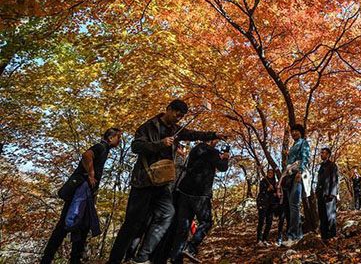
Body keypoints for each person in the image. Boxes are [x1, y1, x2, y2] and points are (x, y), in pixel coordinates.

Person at [107, 99, 229, 264]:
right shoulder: (149, 126)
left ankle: (142, 257)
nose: (178, 119)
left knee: (168, 214)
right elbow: (136, 146)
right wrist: (159, 144)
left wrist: (214, 135)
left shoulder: (176, 130)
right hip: (144, 181)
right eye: (176, 115)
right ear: (168, 109)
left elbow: (193, 134)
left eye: (181, 117)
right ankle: (114, 260)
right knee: (133, 223)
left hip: (163, 183)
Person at [41, 128, 122, 264]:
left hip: (85, 193)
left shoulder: (104, 149)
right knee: (65, 224)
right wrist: (91, 174)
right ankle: (47, 259)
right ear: (110, 138)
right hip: (80, 193)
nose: (119, 141)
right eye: (118, 138)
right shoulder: (101, 147)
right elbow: (86, 155)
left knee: (83, 226)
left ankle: (74, 259)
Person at [169, 139, 230, 263]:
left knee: (183, 228)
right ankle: (190, 247)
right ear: (212, 140)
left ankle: (175, 258)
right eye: (216, 140)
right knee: (206, 222)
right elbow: (222, 167)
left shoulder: (195, 150)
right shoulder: (212, 151)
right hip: (200, 194)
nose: (217, 143)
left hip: (184, 191)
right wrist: (224, 157)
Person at [281, 123, 311, 247]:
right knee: (291, 205)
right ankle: (296, 235)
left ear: (301, 132)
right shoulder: (293, 145)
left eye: (296, 131)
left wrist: (300, 171)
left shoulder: (303, 142)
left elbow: (305, 158)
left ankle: (293, 236)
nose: (294, 133)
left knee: (294, 205)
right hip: (289, 175)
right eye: (292, 131)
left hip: (297, 175)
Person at [316, 147, 339, 241]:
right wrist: (316, 191)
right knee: (322, 216)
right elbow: (319, 180)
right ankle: (324, 237)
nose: (322, 154)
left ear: (328, 155)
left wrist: (333, 193)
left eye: (324, 153)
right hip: (320, 194)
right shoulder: (321, 166)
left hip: (329, 194)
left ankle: (332, 236)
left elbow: (334, 179)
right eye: (321, 153)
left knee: (330, 216)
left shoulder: (332, 165)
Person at [256, 169, 278, 246]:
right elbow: (261, 191)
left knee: (269, 222)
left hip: (271, 204)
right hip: (263, 203)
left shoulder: (276, 183)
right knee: (261, 221)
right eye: (269, 172)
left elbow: (276, 192)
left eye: (271, 173)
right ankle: (259, 239)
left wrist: (275, 194)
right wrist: (267, 189)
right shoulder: (263, 181)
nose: (270, 174)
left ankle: (265, 239)